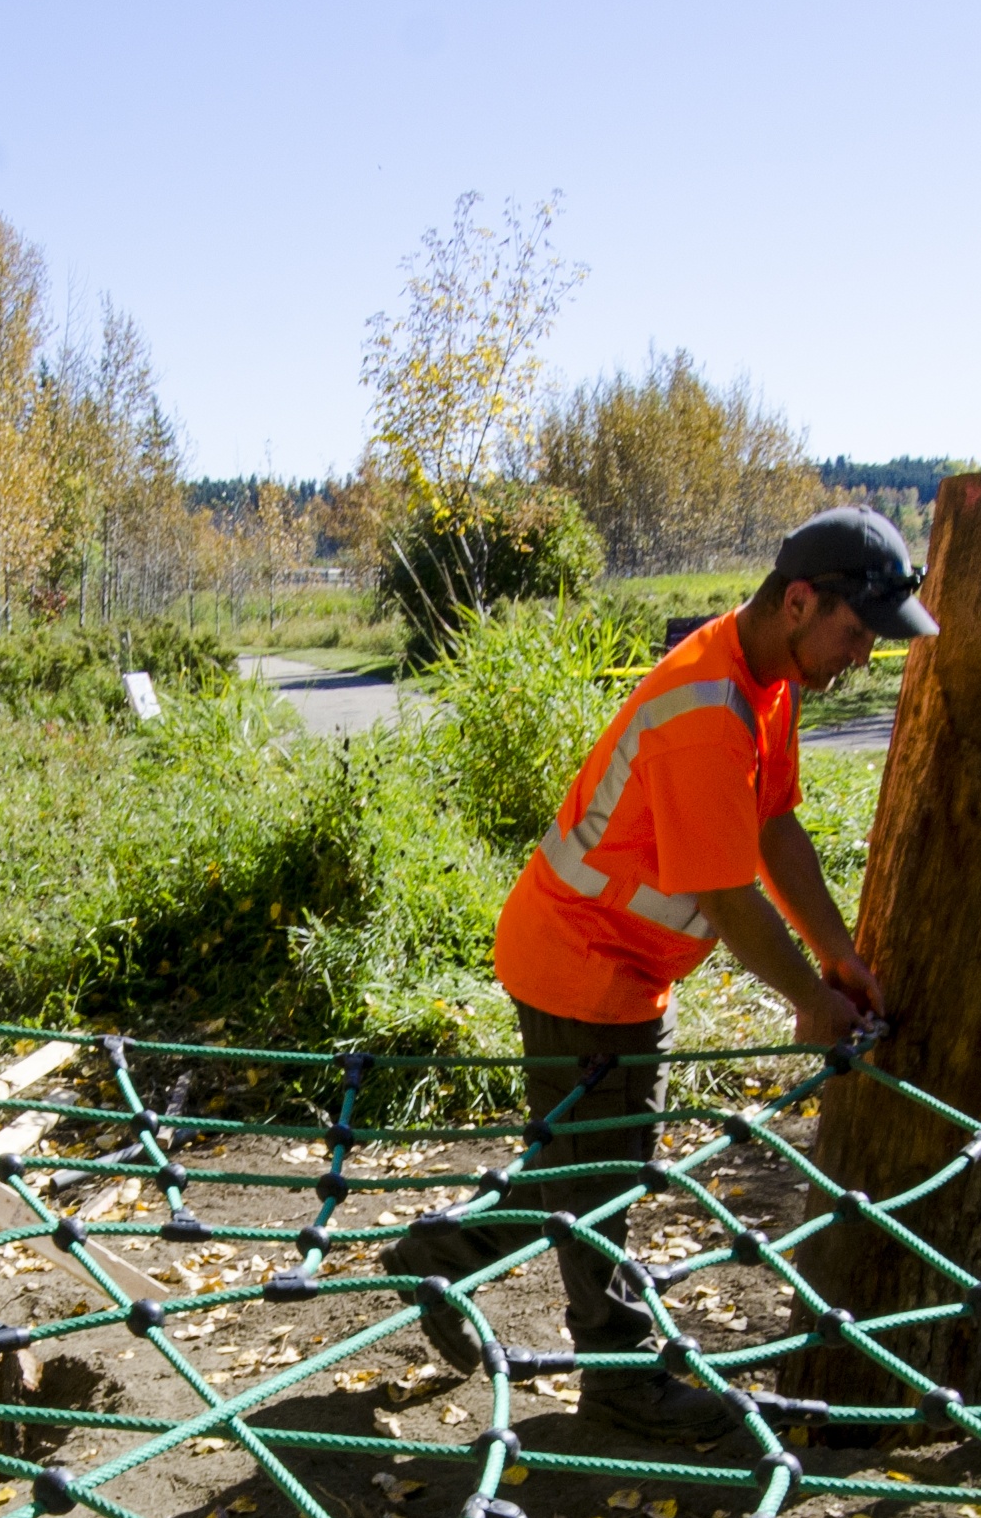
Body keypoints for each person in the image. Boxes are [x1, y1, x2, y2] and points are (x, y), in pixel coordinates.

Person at [391, 506, 933, 1441]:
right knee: (603, 1174)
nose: (862, 657)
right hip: (581, 963)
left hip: (620, 964)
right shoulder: (706, 713)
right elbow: (726, 894)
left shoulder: (762, 681)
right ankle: (618, 1380)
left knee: (588, 1164)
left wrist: (837, 954)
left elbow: (773, 828)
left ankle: (444, 1252)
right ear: (799, 602)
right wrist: (810, 999)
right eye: (856, 634)